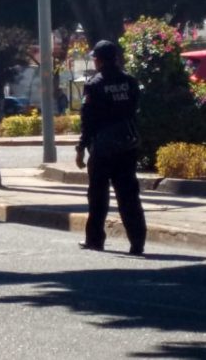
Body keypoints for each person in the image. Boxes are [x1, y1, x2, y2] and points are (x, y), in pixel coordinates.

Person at [75, 40, 146, 256]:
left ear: (98, 60)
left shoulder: (95, 84)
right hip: (127, 146)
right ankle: (137, 242)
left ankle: (95, 239)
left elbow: (88, 120)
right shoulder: (130, 81)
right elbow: (135, 110)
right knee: (129, 195)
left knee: (98, 195)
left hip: (103, 148)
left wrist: (81, 147)